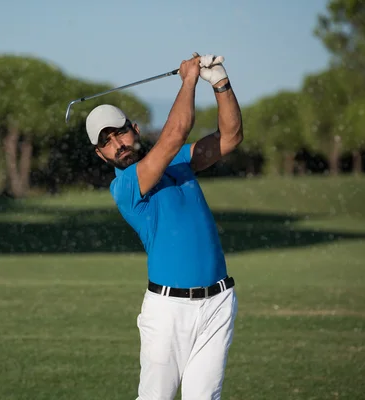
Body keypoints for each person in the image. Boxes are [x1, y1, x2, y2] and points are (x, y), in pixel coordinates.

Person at [85, 53, 243, 400]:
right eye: (106, 142)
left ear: (135, 129)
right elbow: (174, 135)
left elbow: (230, 137)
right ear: (100, 155)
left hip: (218, 302)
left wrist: (220, 83)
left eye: (120, 133)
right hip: (168, 311)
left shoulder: (179, 163)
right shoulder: (126, 186)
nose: (117, 144)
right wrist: (188, 80)